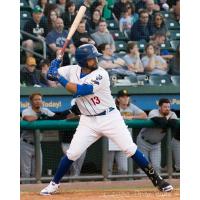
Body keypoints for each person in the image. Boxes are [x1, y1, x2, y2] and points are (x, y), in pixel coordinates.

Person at [40, 44, 173, 195]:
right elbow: (49, 75)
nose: (96, 60)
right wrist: (55, 63)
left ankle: (157, 180)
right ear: (83, 61)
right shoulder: (72, 70)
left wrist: (58, 75)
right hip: (88, 121)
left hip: (109, 117)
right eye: (92, 59)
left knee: (130, 148)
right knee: (72, 153)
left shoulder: (101, 74)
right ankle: (54, 184)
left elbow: (80, 90)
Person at [108, 89, 147, 175]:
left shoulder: (131, 107)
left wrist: (132, 116)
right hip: (110, 140)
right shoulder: (112, 106)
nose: (126, 98)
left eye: (127, 97)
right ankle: (106, 186)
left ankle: (120, 187)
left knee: (124, 169)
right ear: (118, 99)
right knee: (108, 169)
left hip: (123, 140)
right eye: (123, 97)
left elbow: (144, 115)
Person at [20, 93, 55, 183]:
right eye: (35, 99)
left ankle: (34, 192)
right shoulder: (26, 110)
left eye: (39, 99)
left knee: (37, 171)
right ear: (31, 101)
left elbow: (56, 117)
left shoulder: (45, 110)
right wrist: (40, 116)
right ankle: (25, 193)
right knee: (26, 172)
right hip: (25, 143)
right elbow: (27, 118)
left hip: (37, 144)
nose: (38, 101)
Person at [136, 98, 178, 172]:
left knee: (156, 167)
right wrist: (168, 118)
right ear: (159, 107)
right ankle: (143, 183)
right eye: (165, 107)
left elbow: (174, 125)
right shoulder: (154, 112)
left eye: (168, 107)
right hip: (143, 142)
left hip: (156, 144)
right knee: (144, 167)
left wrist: (167, 120)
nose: (167, 109)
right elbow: (162, 122)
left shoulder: (172, 114)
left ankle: (155, 183)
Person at [59, 102, 87, 177]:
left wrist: (78, 117)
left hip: (81, 143)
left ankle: (74, 182)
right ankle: (73, 181)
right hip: (67, 142)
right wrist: (68, 119)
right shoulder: (66, 112)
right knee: (72, 165)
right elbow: (58, 122)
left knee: (78, 167)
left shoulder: (86, 113)